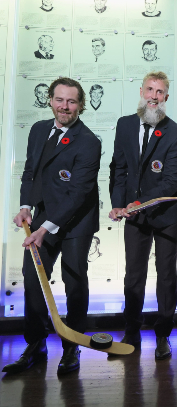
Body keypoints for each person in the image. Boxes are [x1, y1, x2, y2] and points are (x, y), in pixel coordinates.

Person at [3, 78, 100, 375]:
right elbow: (30, 172)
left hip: (76, 222)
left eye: (71, 101)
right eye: (59, 100)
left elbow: (78, 194)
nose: (64, 107)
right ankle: (36, 344)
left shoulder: (89, 141)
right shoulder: (38, 130)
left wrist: (45, 228)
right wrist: (25, 206)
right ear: (50, 100)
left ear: (80, 105)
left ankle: (72, 346)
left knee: (74, 282)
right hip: (43, 215)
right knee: (33, 279)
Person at [108, 71, 177, 360]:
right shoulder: (125, 125)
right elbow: (118, 168)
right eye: (150, 90)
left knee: (165, 275)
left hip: (165, 214)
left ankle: (163, 334)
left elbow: (170, 182)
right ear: (141, 92)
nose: (154, 96)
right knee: (134, 275)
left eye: (160, 92)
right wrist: (118, 204)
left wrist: (138, 203)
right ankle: (131, 331)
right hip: (134, 215)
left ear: (166, 97)